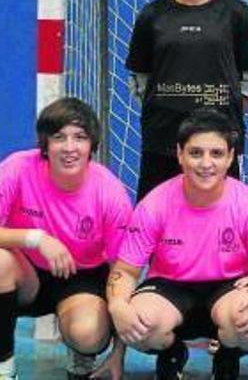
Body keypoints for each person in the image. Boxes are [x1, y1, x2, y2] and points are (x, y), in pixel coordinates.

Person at [107, 109, 248, 380]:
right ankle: (172, 352)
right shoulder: (154, 204)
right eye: (196, 153)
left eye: (216, 153)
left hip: (230, 289)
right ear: (180, 154)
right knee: (138, 321)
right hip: (170, 289)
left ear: (230, 157)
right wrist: (117, 305)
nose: (206, 163)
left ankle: (227, 356)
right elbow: (125, 271)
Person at [126, 0, 248, 200]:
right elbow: (140, 77)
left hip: (218, 138)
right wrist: (167, 104)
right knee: (156, 213)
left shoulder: (236, 14)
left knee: (221, 215)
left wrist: (225, 110)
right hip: (162, 138)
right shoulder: (152, 16)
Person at [0, 97, 131, 380]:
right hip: (27, 274)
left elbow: (124, 272)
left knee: (88, 334)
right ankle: (4, 369)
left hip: (82, 279)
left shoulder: (111, 194)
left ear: (91, 145)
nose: (70, 147)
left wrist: (118, 353)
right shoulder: (17, 168)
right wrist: (36, 238)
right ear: (45, 144)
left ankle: (80, 351)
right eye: (59, 137)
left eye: (80, 137)